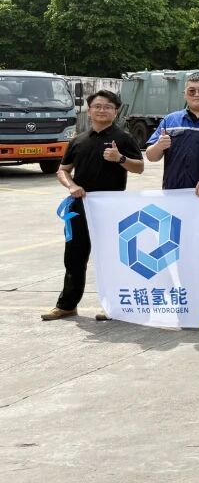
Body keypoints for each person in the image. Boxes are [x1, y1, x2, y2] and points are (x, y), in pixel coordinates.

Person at [42, 90, 144, 321]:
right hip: (80, 206)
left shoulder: (123, 138)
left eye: (108, 107)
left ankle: (115, 306)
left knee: (111, 257)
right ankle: (67, 305)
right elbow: (63, 170)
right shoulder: (78, 140)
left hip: (111, 208)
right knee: (74, 256)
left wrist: (119, 158)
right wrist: (71, 186)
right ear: (89, 111)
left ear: (115, 112)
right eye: (97, 106)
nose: (102, 110)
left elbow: (139, 168)